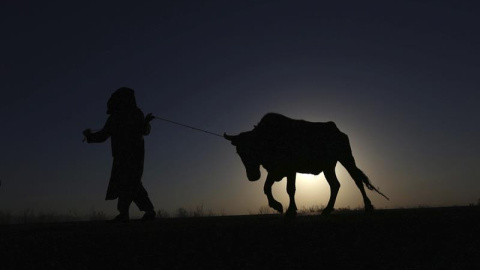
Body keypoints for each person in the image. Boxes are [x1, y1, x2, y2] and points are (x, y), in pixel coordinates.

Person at [83, 87, 156, 222]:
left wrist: (88, 136)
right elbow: (104, 135)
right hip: (124, 156)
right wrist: (89, 137)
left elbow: (143, 131)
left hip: (133, 155)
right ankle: (130, 213)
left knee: (131, 183)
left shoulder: (126, 115)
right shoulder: (122, 116)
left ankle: (137, 212)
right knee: (127, 183)